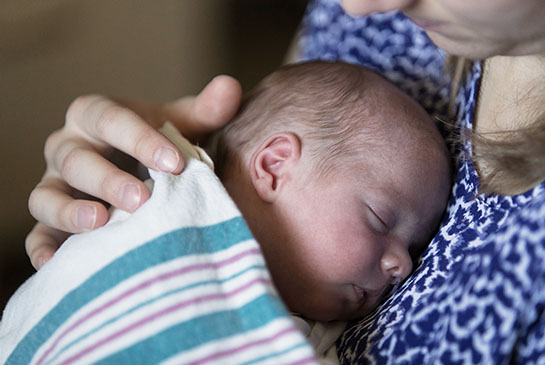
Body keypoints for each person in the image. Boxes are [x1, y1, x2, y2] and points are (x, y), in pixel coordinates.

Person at [24, 0, 545, 363]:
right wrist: (114, 170)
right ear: (273, 167)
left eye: (410, 243)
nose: (402, 265)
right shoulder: (174, 211)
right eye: (380, 220)